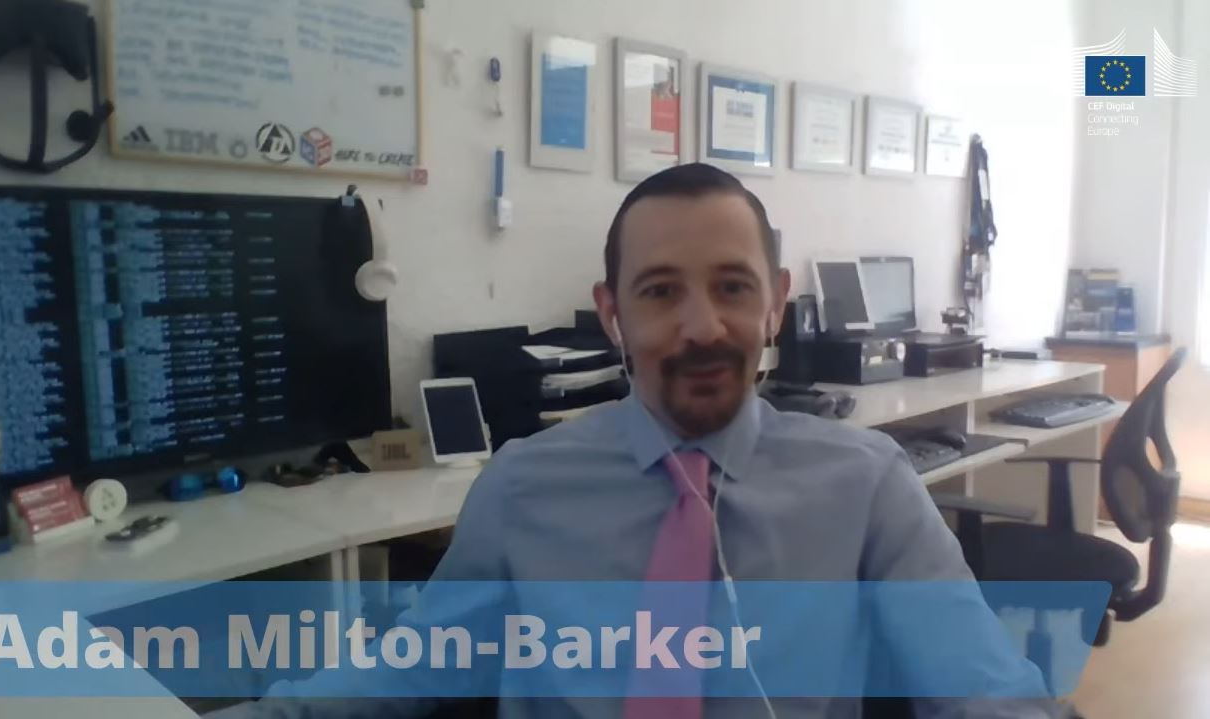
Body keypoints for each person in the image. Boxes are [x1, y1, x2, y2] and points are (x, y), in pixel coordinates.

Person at [214, 163, 1069, 718]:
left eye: (732, 287)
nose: (702, 327)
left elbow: (980, 686)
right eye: (660, 291)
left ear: (774, 302)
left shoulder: (867, 483)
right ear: (612, 312)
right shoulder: (522, 487)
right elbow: (412, 667)